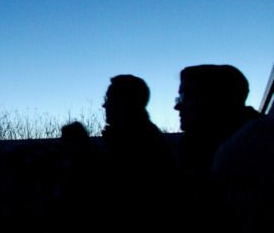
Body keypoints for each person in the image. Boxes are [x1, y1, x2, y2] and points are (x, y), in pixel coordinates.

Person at [173, 64, 263, 233]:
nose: (177, 106)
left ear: (217, 100)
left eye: (185, 97)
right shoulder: (197, 145)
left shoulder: (249, 153)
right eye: (179, 98)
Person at [100, 75, 176, 233]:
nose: (104, 104)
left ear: (126, 102)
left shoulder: (136, 142)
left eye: (110, 98)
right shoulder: (134, 137)